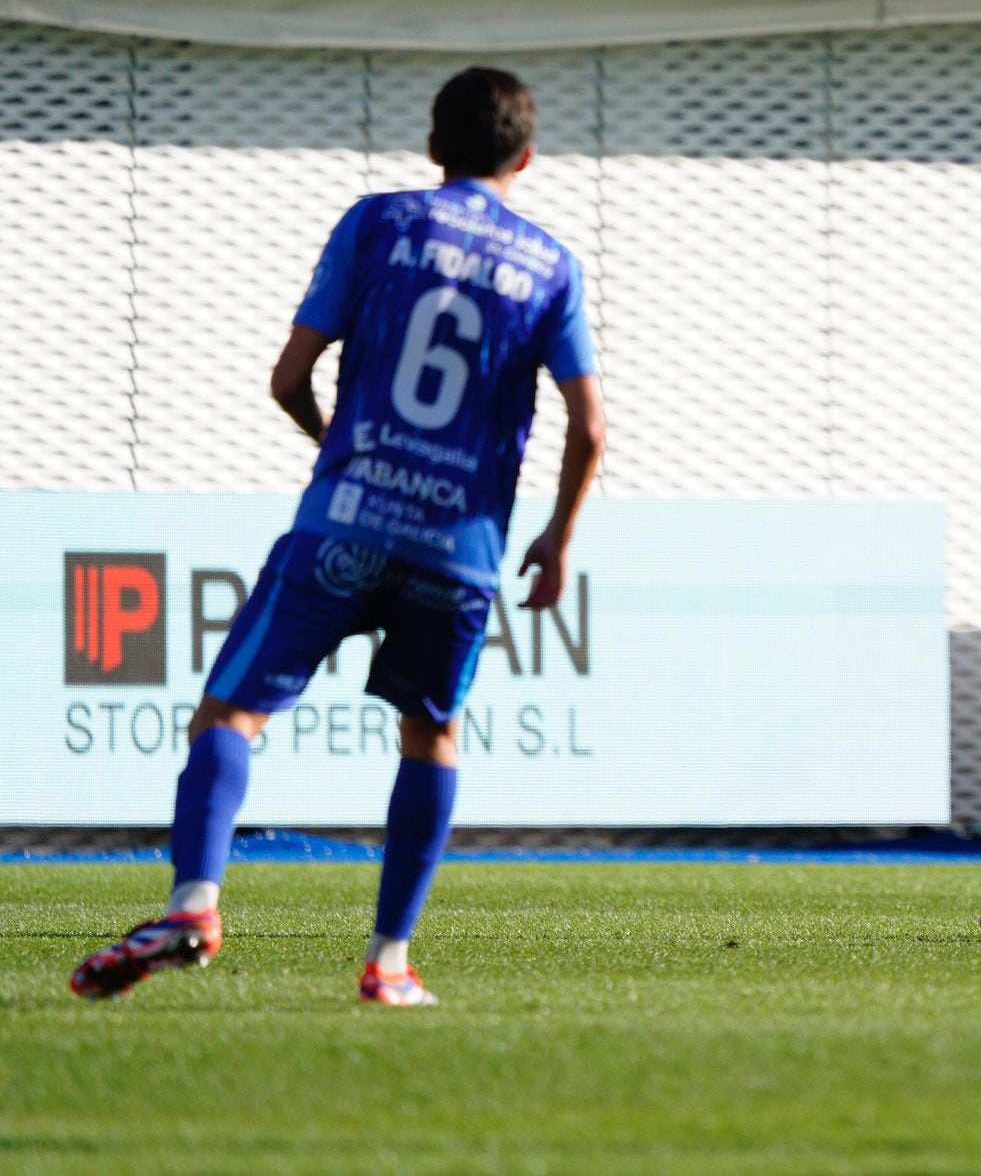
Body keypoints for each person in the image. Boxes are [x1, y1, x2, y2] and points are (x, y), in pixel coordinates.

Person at [70, 67, 605, 1008]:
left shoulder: (377, 223)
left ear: (433, 146)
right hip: (459, 546)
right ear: (526, 157)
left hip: (345, 523)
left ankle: (195, 905)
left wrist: (337, 445)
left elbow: (287, 377)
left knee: (229, 714)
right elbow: (591, 427)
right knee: (431, 736)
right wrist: (558, 538)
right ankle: (389, 963)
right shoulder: (552, 268)